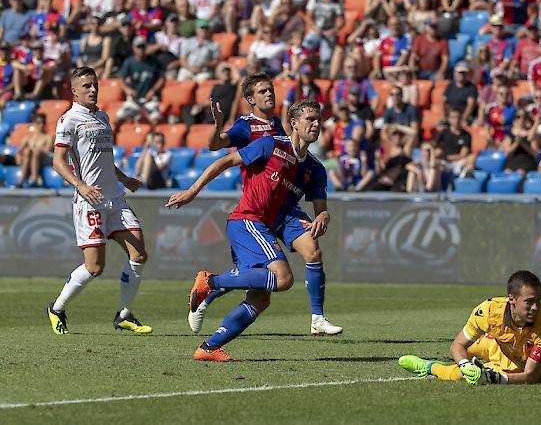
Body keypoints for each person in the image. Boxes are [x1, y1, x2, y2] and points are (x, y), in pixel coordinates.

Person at [166, 99, 331, 361]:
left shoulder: (315, 168)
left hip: (261, 227)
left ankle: (208, 348)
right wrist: (192, 190)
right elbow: (226, 161)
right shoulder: (272, 144)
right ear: (293, 124)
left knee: (260, 299)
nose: (316, 124)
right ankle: (210, 282)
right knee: (284, 278)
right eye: (309, 119)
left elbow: (321, 209)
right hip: (247, 221)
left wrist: (323, 216)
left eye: (318, 119)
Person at [195, 73, 343, 336]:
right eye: (263, 91)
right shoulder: (247, 127)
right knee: (262, 281)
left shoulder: (278, 126)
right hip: (257, 209)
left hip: (285, 208)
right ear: (250, 99)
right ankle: (210, 290)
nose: (269, 94)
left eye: (271, 89)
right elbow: (217, 148)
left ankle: (317, 318)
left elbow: (298, 161)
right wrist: (217, 128)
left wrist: (324, 215)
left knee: (312, 253)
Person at [45, 66, 152, 336]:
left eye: (95, 85)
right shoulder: (69, 120)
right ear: (74, 91)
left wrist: (124, 178)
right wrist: (81, 185)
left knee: (139, 254)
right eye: (87, 87)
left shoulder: (103, 117)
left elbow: (105, 160)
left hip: (115, 197)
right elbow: (58, 162)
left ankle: (124, 314)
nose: (93, 90)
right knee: (95, 267)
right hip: (89, 201)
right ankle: (57, 308)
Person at [398, 270, 541, 385]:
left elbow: (531, 376)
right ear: (512, 299)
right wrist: (465, 364)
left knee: (458, 375)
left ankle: (429, 367)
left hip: (518, 367)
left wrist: (493, 378)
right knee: (465, 357)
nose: (535, 308)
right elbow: (458, 345)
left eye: (538, 301)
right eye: (529, 302)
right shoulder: (488, 312)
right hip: (496, 343)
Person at [115, 36, 164, 127]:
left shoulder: (154, 61)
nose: (141, 49)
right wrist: (128, 90)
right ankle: (112, 140)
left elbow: (161, 78)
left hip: (149, 99)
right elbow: (120, 79)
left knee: (156, 120)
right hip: (134, 99)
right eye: (138, 47)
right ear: (133, 48)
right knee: (117, 120)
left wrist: (153, 91)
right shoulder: (129, 62)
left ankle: (152, 140)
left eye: (143, 47)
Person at [15, 113, 52, 188]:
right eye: (38, 123)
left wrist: (36, 150)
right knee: (28, 151)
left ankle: (33, 178)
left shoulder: (48, 137)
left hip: (43, 159)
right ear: (34, 124)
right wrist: (18, 157)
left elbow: (47, 151)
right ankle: (22, 180)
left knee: (35, 152)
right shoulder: (28, 137)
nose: (41, 125)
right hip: (29, 158)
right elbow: (19, 151)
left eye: (43, 123)